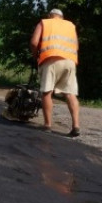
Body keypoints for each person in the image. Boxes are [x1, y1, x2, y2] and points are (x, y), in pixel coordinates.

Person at [29, 8, 81, 137]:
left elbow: (34, 42)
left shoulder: (44, 22)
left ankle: (47, 125)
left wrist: (35, 56)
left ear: (50, 16)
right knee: (70, 94)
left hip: (50, 59)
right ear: (61, 17)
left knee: (47, 92)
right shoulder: (70, 25)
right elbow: (77, 46)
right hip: (69, 61)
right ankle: (76, 126)